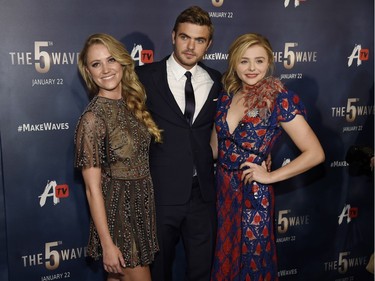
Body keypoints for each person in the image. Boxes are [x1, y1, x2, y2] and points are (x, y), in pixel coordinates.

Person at [210, 33, 325, 281]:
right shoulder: (226, 96)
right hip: (223, 194)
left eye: (259, 61)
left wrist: (270, 176)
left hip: (254, 194)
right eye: (244, 61)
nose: (252, 68)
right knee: (226, 261)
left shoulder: (278, 99)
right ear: (234, 63)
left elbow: (315, 153)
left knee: (253, 264)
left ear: (269, 62)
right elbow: (216, 150)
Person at [135, 6, 222, 281]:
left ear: (208, 44)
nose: (190, 46)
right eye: (185, 37)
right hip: (160, 196)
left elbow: (229, 126)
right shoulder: (144, 77)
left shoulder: (217, 80)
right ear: (173, 36)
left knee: (201, 272)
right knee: (159, 271)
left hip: (203, 196)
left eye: (199, 40)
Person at [74, 33, 162, 281]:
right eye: (96, 64)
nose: (105, 69)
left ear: (122, 61)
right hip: (119, 216)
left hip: (141, 210)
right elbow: (92, 189)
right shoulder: (92, 120)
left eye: (111, 59)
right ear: (88, 72)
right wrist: (107, 244)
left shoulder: (132, 102)